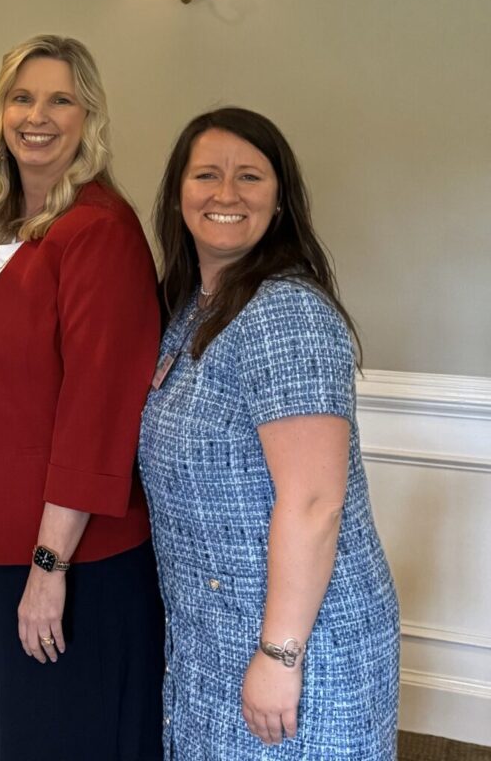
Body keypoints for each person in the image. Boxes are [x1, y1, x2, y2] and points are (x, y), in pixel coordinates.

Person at [0, 35, 164, 760]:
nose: (39, 115)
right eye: (23, 97)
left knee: (54, 734)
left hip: (62, 544)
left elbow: (98, 410)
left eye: (61, 99)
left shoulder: (100, 232)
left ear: (89, 117)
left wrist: (49, 567)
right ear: (0, 112)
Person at [139, 108, 398, 758]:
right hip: (214, 631)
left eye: (249, 177)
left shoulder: (285, 313)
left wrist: (280, 655)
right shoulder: (190, 309)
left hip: (300, 641)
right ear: (179, 194)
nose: (226, 194)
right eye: (207, 175)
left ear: (279, 203)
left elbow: (314, 504)